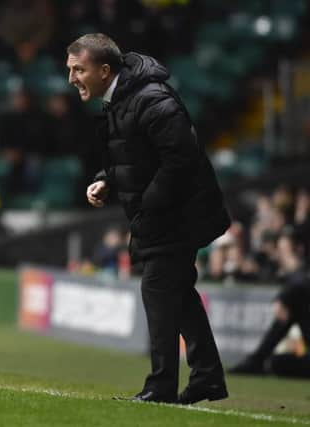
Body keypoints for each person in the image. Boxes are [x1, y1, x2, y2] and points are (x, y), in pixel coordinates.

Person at [66, 33, 231, 404]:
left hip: (177, 215)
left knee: (158, 291)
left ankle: (161, 386)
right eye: (70, 69)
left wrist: (148, 207)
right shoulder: (122, 101)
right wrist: (105, 180)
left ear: (104, 71)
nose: (72, 78)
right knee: (178, 294)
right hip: (163, 212)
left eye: (79, 69)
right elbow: (136, 156)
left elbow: (180, 159)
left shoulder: (152, 99)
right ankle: (207, 377)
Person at [229, 230, 310, 378]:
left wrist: (283, 297)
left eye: (286, 251)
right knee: (277, 360)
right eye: (280, 251)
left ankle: (257, 360)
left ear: (299, 250)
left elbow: (300, 283)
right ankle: (257, 360)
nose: (281, 256)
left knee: (276, 363)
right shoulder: (295, 281)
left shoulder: (301, 278)